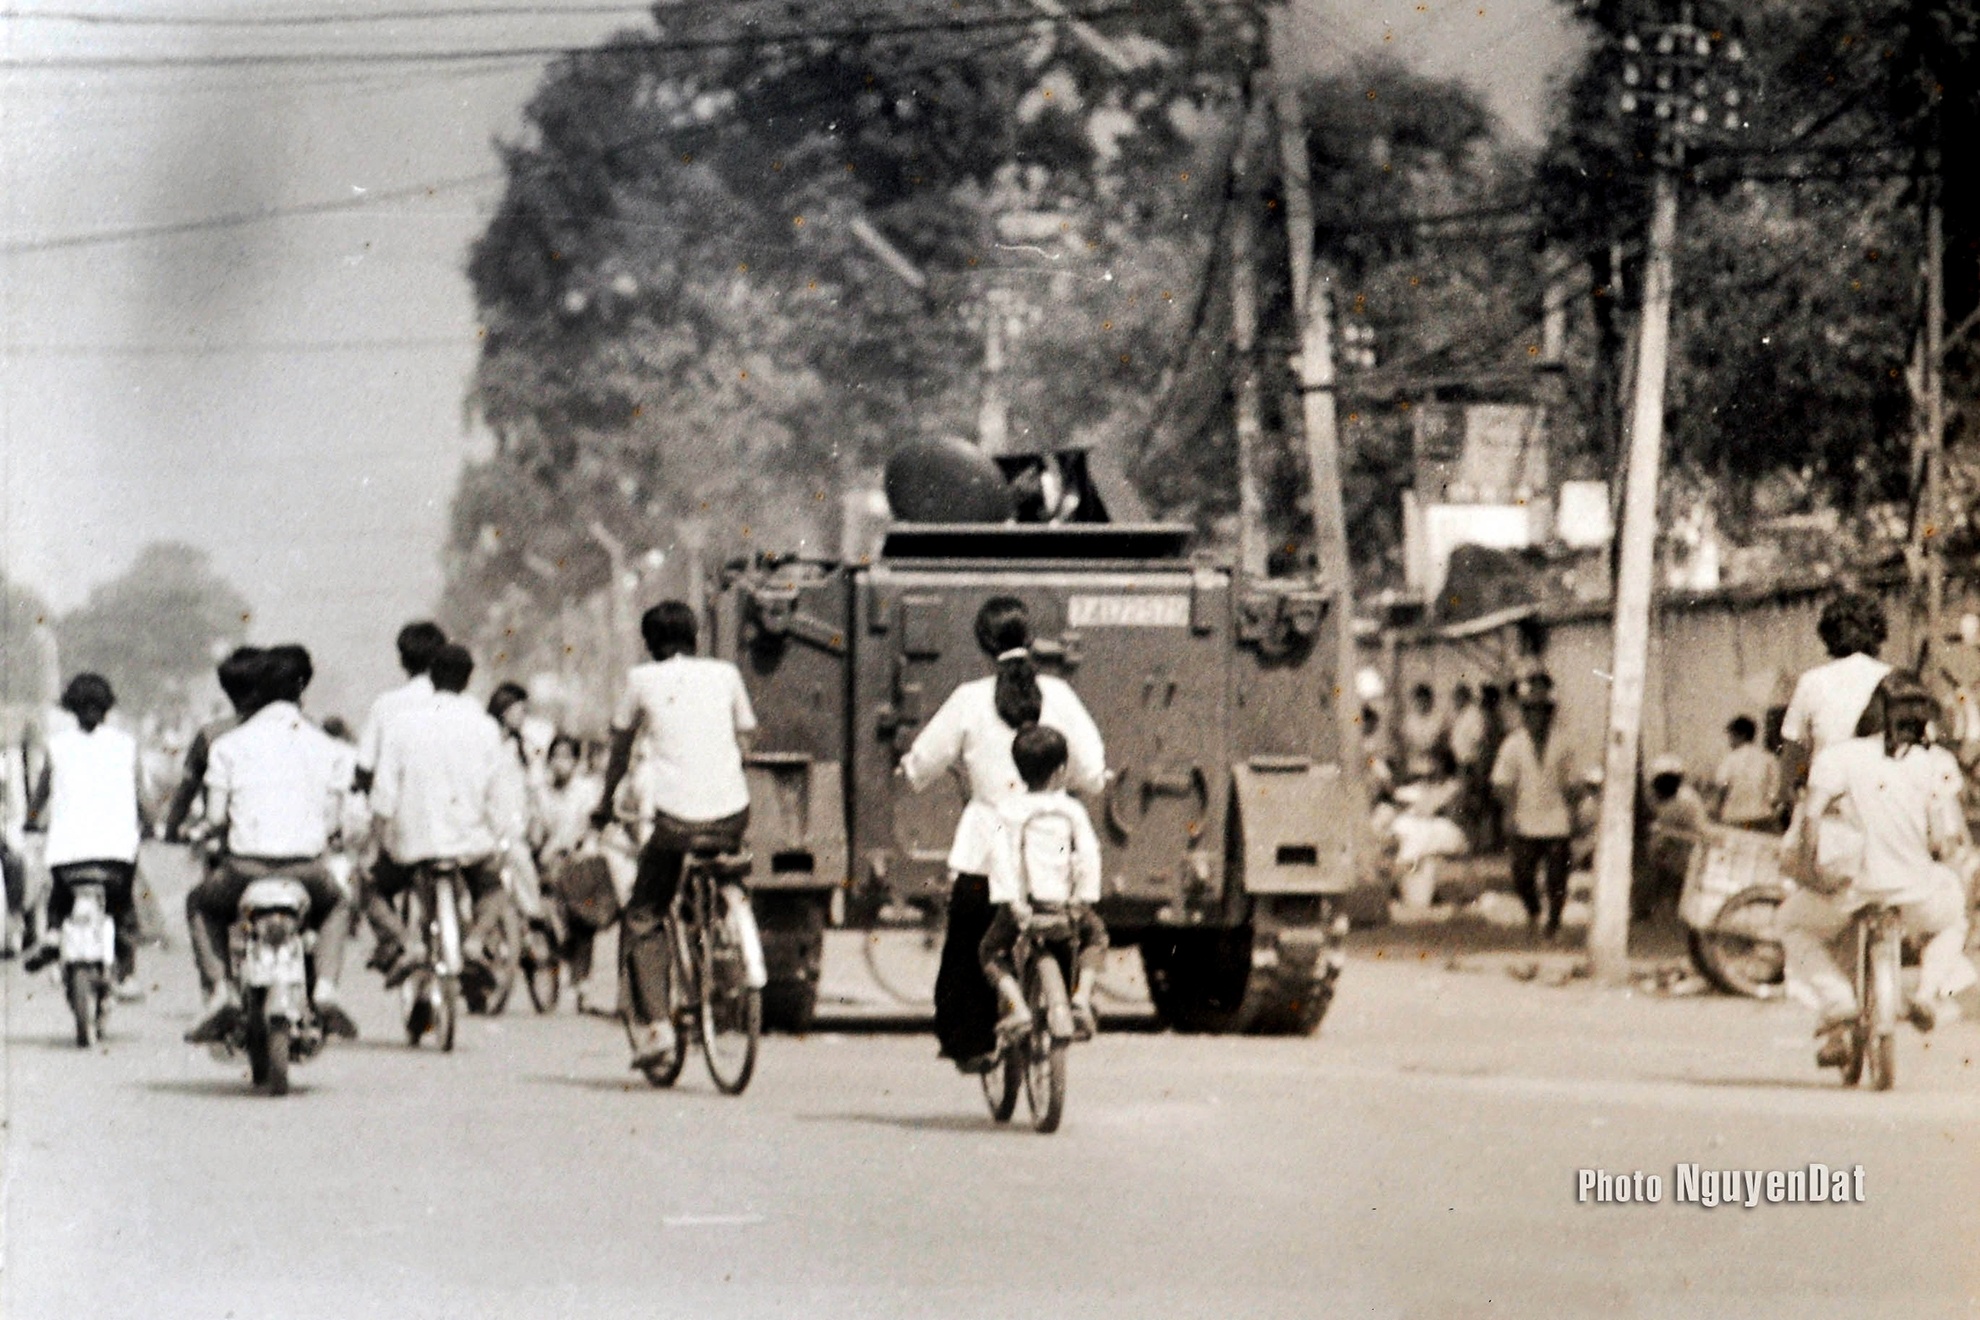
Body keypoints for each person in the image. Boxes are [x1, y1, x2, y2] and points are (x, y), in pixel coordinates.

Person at [900, 596, 1106, 1073]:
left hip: (989, 844)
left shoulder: (969, 698)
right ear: (1030, 638)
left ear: (983, 644)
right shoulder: (1060, 695)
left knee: (971, 938)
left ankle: (971, 1042)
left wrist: (911, 768)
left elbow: (921, 765)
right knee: (1062, 924)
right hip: (1050, 842)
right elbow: (1093, 773)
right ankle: (1072, 998)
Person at [1780, 672, 1977, 1067]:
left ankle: (1837, 1002)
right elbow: (1943, 839)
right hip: (1915, 890)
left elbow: (1811, 817)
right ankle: (1926, 992)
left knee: (1792, 923)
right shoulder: (1936, 762)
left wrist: (1812, 868)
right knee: (1954, 921)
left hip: (1850, 888)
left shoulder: (1838, 757)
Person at [593, 602, 757, 1070]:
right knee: (716, 872)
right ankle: (723, 937)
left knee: (645, 912)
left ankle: (657, 1029)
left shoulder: (641, 680)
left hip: (675, 820)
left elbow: (620, 751)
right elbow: (747, 737)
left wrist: (605, 804)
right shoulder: (726, 674)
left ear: (649, 642)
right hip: (731, 814)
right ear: (695, 636)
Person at [185, 646, 358, 1042]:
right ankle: (327, 988)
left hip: (244, 870)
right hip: (307, 871)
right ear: (302, 691)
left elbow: (213, 819)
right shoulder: (325, 745)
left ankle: (219, 990)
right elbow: (333, 821)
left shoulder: (228, 746)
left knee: (200, 904)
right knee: (337, 904)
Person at [367, 644, 528, 982]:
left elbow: (383, 795)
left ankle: (406, 942)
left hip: (412, 844)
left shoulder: (402, 723)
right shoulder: (484, 727)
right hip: (469, 843)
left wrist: (378, 841)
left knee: (368, 886)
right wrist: (500, 836)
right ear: (468, 680)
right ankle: (475, 940)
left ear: (431, 677)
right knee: (494, 887)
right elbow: (498, 795)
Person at [976, 725, 1108, 1040]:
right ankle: (1081, 997)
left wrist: (1014, 903)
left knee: (990, 952)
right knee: (1097, 937)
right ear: (1061, 770)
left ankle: (1018, 1007)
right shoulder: (1073, 810)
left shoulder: (1007, 810)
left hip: (1025, 909)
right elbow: (1089, 856)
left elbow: (1002, 860)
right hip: (1065, 909)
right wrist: (1083, 899)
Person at [22, 675, 147, 990]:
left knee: (58, 899)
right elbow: (141, 799)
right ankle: (128, 973)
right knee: (123, 907)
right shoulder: (126, 745)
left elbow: (40, 797)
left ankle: (53, 933)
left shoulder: (57, 746)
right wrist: (151, 824)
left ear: (70, 708)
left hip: (68, 855)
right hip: (117, 855)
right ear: (107, 707)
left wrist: (31, 821)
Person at [353, 620, 447, 970]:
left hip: (404, 828)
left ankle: (400, 940)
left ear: (402, 660)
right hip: (457, 824)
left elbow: (364, 768)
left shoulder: (387, 706)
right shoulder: (459, 706)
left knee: (368, 883)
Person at [1489, 677, 1579, 942]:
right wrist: (1509, 811)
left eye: (1540, 711)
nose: (1535, 717)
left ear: (1549, 714)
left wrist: (1573, 812)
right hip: (1525, 817)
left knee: (1557, 876)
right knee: (1522, 874)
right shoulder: (1513, 744)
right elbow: (1501, 783)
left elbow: (1572, 782)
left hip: (1556, 817)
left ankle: (1554, 922)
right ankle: (1533, 910)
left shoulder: (1563, 743)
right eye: (1529, 711)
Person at [1780, 592, 1891, 790]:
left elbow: (1793, 751)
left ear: (1827, 637)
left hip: (1828, 803)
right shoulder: (1894, 679)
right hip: (1885, 800)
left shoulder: (1812, 682)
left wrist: (1789, 795)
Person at [1388, 745, 1469, 909]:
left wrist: (1423, 805)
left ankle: (1411, 884)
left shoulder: (1453, 786)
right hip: (1425, 824)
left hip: (1444, 826)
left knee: (1414, 837)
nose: (1432, 768)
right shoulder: (1427, 785)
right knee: (1402, 828)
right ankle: (1403, 882)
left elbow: (1438, 807)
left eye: (1435, 763)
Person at [1641, 754, 1707, 923]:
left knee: (1656, 851)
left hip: (1689, 847)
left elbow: (1665, 824)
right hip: (1683, 844)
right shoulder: (1680, 796)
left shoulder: (1682, 799)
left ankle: (1658, 909)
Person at [1711, 715, 1781, 829]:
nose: (1729, 741)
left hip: (1735, 817)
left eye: (1731, 736)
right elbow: (1774, 792)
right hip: (1762, 817)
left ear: (1741, 735)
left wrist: (1717, 812)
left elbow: (1723, 787)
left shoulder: (1731, 759)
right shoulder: (1769, 758)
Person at [1397, 683, 1447, 783]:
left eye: (1425, 700)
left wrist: (1434, 748)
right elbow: (1405, 745)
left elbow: (1443, 744)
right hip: (1414, 769)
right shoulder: (1409, 721)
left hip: (1435, 769)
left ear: (1430, 700)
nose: (1422, 703)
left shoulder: (1439, 719)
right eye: (1418, 700)